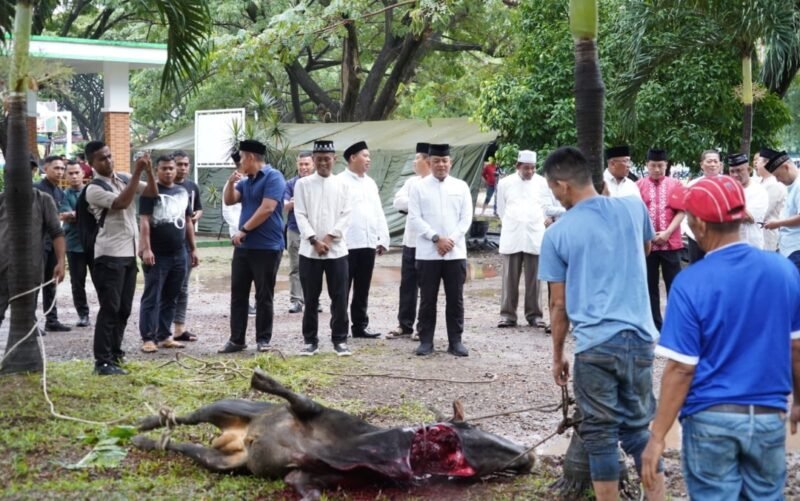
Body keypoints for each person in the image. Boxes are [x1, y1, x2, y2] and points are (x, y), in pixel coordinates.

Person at [641, 175, 800, 500]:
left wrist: (657, 436)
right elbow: (796, 348)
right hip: (768, 417)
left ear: (698, 224)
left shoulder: (690, 283)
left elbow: (681, 369)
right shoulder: (783, 271)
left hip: (710, 420)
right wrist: (798, 401)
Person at [538, 146, 665, 501]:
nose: (555, 197)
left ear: (562, 185)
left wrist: (557, 354)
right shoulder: (633, 208)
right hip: (640, 339)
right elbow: (644, 252)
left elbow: (558, 304)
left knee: (601, 436)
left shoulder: (557, 234)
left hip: (595, 346)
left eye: (552, 189)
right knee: (639, 432)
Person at [85, 141, 157, 375]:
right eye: (102, 158)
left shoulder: (124, 178)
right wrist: (137, 172)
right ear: (91, 163)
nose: (108, 161)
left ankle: (115, 354)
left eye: (109, 155)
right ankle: (102, 362)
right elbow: (121, 202)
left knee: (124, 309)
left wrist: (148, 170)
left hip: (128, 255)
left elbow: (152, 193)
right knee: (110, 308)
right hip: (108, 256)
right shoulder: (94, 189)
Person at [218, 140, 285, 354]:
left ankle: (263, 339)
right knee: (238, 293)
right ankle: (237, 339)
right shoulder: (246, 181)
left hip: (267, 246)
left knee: (263, 294)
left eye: (241, 158)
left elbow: (268, 208)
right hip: (244, 247)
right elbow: (230, 200)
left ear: (250, 157)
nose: (239, 162)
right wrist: (230, 183)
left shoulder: (274, 177)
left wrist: (244, 230)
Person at [408, 143, 472, 357]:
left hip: (455, 252)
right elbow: (414, 218)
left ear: (450, 163)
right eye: (436, 161)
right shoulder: (418, 187)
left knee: (455, 298)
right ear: (429, 163)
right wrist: (436, 238)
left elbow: (466, 219)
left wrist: (450, 240)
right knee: (427, 298)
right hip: (428, 252)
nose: (441, 165)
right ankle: (426, 341)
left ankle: (456, 341)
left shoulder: (461, 186)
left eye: (444, 161)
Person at [294, 139, 353, 356]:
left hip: (336, 251)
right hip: (309, 251)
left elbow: (347, 214)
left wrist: (328, 239)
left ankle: (340, 340)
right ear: (313, 160)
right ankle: (310, 340)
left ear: (334, 159)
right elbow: (299, 213)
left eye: (327, 159)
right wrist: (313, 240)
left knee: (339, 297)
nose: (323, 163)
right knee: (310, 298)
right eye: (319, 159)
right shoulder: (303, 184)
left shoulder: (343, 184)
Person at [138, 155, 199, 353]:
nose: (169, 172)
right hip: (157, 254)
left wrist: (193, 248)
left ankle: (165, 336)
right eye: (164, 168)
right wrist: (146, 248)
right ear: (157, 170)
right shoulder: (149, 192)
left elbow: (188, 220)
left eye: (171, 168)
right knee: (152, 296)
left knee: (171, 296)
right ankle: (148, 338)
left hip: (179, 253)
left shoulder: (182, 192)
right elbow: (145, 221)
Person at [338, 141, 390, 339]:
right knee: (343, 287)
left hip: (367, 242)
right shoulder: (340, 181)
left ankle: (360, 325)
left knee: (363, 287)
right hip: (347, 243)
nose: (369, 160)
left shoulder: (370, 182)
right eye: (365, 156)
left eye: (369, 157)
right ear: (353, 157)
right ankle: (340, 327)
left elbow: (377, 211)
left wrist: (382, 237)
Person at [496, 150, 550, 328]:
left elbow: (548, 207)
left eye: (533, 168)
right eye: (526, 168)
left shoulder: (543, 183)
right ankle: (507, 315)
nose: (530, 171)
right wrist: (513, 222)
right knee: (509, 277)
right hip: (512, 233)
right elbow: (501, 209)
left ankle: (534, 315)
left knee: (534, 279)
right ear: (517, 166)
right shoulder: (505, 183)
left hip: (535, 233)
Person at [0, 189, 66, 331]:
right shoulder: (2, 198)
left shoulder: (43, 199)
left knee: (26, 318)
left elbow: (57, 232)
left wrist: (61, 262)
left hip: (30, 269)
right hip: (2, 266)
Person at [636, 148, 684, 331]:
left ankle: (677, 325)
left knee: (675, 285)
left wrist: (667, 233)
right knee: (650, 286)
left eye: (660, 165)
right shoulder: (638, 185)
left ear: (666, 165)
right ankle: (655, 324)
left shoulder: (676, 184)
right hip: (647, 245)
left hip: (671, 243)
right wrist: (649, 235)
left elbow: (682, 211)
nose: (657, 169)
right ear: (647, 165)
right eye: (653, 165)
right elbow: (636, 213)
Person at [387, 142, 430, 339]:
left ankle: (423, 327)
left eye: (417, 158)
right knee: (407, 284)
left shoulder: (437, 183)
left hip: (429, 243)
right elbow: (398, 201)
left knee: (427, 287)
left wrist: (415, 205)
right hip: (410, 241)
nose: (414, 162)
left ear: (427, 160)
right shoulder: (412, 182)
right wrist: (417, 204)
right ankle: (405, 324)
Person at [33, 155, 71, 332]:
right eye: (56, 168)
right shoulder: (36, 190)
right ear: (45, 169)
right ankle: (30, 322)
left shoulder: (60, 192)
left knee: (51, 281)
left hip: (53, 243)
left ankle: (52, 320)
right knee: (34, 284)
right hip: (36, 244)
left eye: (62, 168)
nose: (60, 171)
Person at [172, 150, 203, 342]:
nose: (182, 168)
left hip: (186, 242)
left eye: (185, 164)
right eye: (179, 164)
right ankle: (158, 330)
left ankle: (179, 329)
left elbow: (198, 208)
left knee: (182, 287)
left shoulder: (192, 186)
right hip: (167, 244)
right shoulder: (162, 187)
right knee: (165, 287)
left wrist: (196, 216)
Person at [58, 161, 91, 327]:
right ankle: (83, 314)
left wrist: (74, 214)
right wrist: (81, 214)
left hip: (93, 243)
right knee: (77, 282)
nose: (74, 176)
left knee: (103, 280)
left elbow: (97, 213)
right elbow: (63, 215)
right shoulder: (64, 194)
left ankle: (109, 312)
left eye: (76, 172)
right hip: (74, 244)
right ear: (66, 175)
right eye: (70, 173)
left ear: (83, 174)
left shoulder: (91, 191)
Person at [284, 152, 314, 314]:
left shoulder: (320, 183)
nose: (303, 167)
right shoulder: (290, 184)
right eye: (301, 164)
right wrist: (292, 203)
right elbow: (285, 205)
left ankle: (313, 300)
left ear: (313, 164)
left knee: (315, 267)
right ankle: (296, 300)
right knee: (295, 266)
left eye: (306, 164)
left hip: (316, 231)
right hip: (295, 229)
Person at [762, 150, 800, 273]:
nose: (778, 180)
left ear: (786, 167)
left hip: (796, 250)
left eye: (778, 175)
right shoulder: (792, 186)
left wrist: (778, 223)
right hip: (788, 248)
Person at [683, 150, 722, 262]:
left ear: (720, 164)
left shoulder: (728, 184)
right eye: (709, 161)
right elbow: (685, 213)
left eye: (716, 161)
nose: (713, 164)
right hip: (696, 239)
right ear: (702, 164)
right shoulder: (692, 185)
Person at [727, 153, 768, 249]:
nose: (735, 175)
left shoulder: (758, 191)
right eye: (732, 171)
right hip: (730, 246)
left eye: (739, 170)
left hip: (751, 246)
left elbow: (748, 217)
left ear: (749, 170)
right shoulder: (727, 189)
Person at [755, 148, 787, 251]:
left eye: (758, 161)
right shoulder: (762, 182)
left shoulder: (774, 184)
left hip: (768, 237)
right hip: (758, 235)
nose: (755, 164)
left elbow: (762, 212)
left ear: (766, 163)